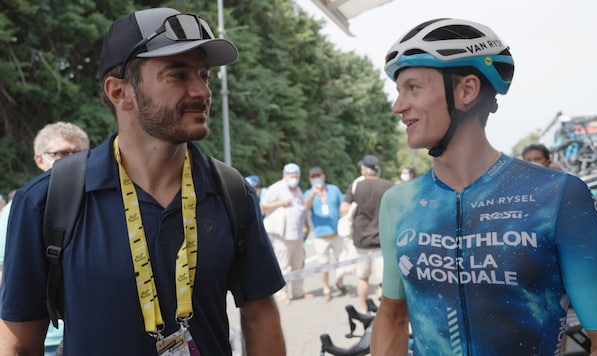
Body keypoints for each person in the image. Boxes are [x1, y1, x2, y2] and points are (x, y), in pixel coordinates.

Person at [0, 8, 286, 355]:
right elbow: (17, 343)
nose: (201, 91)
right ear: (120, 92)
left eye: (204, 75)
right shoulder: (48, 201)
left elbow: (259, 315)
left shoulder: (231, 192)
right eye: (177, 74)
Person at [371, 18, 597, 355]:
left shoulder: (559, 196)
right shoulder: (398, 203)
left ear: (466, 90)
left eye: (413, 88)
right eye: (398, 90)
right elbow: (391, 317)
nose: (398, 106)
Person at [0, 121, 89, 356]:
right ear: (39, 160)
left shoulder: (94, 204)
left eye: (77, 153)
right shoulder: (24, 206)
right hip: (37, 338)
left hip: (80, 336)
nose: (70, 160)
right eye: (60, 153)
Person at [340, 155, 393, 313]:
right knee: (383, 281)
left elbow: (343, 209)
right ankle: (382, 312)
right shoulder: (389, 186)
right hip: (382, 241)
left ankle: (364, 309)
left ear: (364, 169)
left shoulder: (357, 186)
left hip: (361, 241)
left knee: (362, 277)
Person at [261, 163, 311, 304]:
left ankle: (298, 291)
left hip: (297, 234)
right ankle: (281, 294)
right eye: (291, 175)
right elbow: (263, 207)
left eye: (296, 176)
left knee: (298, 264)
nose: (293, 178)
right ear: (284, 175)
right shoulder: (276, 188)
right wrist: (282, 203)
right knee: (283, 265)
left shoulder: (298, 190)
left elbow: (302, 209)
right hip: (282, 235)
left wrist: (307, 226)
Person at [303, 166, 347, 301]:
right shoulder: (308, 193)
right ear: (310, 179)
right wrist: (313, 194)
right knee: (324, 264)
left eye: (318, 176)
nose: (316, 179)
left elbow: (343, 204)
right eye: (313, 177)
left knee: (342, 261)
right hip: (320, 235)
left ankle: (340, 283)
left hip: (336, 233)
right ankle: (326, 288)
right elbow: (305, 207)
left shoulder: (334, 190)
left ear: (323, 176)